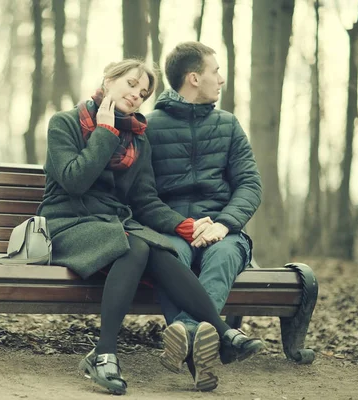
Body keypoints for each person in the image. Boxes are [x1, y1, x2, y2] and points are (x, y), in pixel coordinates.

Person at [37, 59, 263, 395]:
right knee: (136, 245)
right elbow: (74, 181)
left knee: (160, 248)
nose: (136, 95)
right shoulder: (66, 123)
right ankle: (106, 353)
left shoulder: (136, 139)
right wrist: (104, 132)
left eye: (143, 93)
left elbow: (145, 202)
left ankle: (222, 333)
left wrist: (183, 226)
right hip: (68, 222)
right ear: (108, 79)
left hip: (112, 225)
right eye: (130, 84)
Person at [145, 42, 264, 384]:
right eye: (215, 71)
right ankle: (208, 353)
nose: (221, 79)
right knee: (168, 257)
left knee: (224, 256)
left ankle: (188, 335)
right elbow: (143, 193)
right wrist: (180, 225)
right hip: (170, 229)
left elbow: (250, 184)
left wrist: (225, 223)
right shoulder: (149, 126)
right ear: (194, 78)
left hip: (223, 232)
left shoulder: (228, 125)